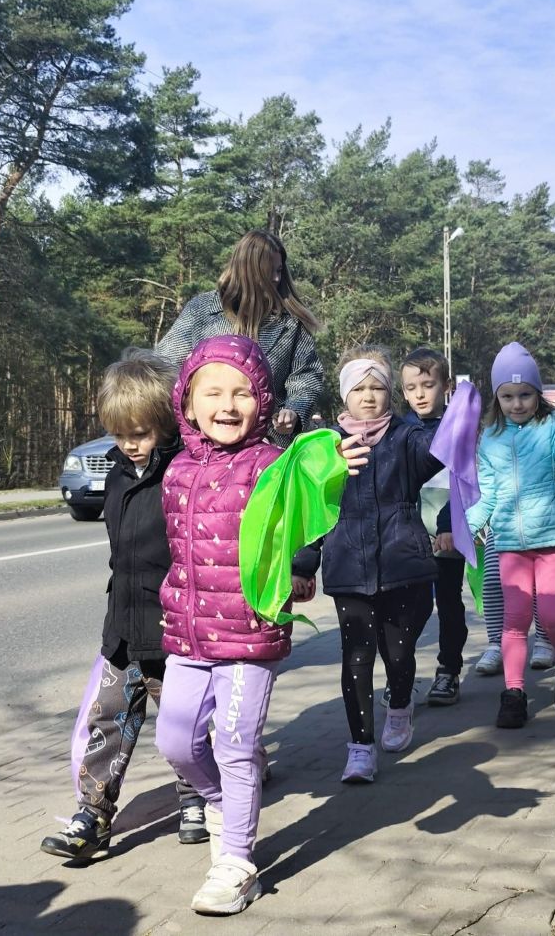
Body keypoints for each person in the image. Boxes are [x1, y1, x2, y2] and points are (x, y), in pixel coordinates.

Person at [154, 334, 366, 916]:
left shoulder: (269, 464)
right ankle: (222, 803)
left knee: (237, 745)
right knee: (175, 742)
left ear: (264, 400)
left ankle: (237, 863)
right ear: (187, 401)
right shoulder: (176, 469)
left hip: (249, 634)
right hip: (187, 633)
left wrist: (333, 461)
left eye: (242, 393)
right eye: (213, 393)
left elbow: (306, 489)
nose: (227, 405)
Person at [40, 349, 206, 863]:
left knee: (183, 726)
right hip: (123, 628)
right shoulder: (117, 473)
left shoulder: (185, 472)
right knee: (108, 720)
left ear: (167, 422)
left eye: (140, 433)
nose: (129, 444)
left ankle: (197, 798)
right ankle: (92, 816)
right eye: (118, 433)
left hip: (173, 630)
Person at [293, 346, 443, 783]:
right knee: (357, 656)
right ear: (345, 395)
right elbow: (315, 510)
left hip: (401, 563)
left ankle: (399, 705)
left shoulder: (407, 436)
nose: (369, 396)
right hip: (348, 566)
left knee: (398, 653)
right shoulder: (327, 445)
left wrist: (446, 416)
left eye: (377, 387)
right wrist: (303, 565)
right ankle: (360, 749)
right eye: (359, 389)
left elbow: (437, 453)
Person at [465, 342, 555, 729]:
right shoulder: (490, 438)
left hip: (552, 540)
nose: (517, 403)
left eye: (524, 395)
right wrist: (464, 527)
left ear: (538, 393)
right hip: (509, 545)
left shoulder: (554, 425)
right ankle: (514, 694)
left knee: (552, 617)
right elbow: (488, 495)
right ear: (496, 398)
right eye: (507, 396)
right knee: (515, 620)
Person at [155, 230, 323, 443]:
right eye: (268, 271)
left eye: (279, 270)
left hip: (270, 445)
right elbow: (164, 367)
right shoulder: (201, 310)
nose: (276, 278)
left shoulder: (292, 323)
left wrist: (294, 412)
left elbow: (306, 376)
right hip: (206, 442)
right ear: (246, 270)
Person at [400, 347, 468, 705]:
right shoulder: (399, 429)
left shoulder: (458, 428)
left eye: (428, 385)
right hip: (409, 535)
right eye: (412, 388)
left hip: (447, 532)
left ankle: (448, 671)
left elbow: (462, 482)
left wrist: (448, 526)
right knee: (411, 607)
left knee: (448, 603)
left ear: (446, 386)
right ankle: (402, 674)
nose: (420, 395)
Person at [475, 536, 555, 675]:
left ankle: (544, 639)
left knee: (538, 578)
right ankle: (496, 644)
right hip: (499, 526)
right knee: (492, 580)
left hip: (540, 528)